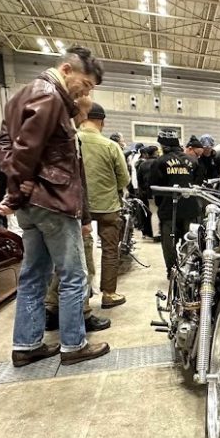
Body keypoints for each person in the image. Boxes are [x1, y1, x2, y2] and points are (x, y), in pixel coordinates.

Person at [0, 46, 109, 367]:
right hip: (53, 201)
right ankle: (73, 345)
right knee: (74, 276)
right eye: (85, 84)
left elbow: (3, 144)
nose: (85, 92)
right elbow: (26, 150)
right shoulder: (49, 96)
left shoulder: (26, 94)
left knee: (34, 275)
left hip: (35, 203)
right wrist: (17, 191)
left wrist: (18, 192)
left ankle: (26, 345)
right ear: (67, 70)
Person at [75, 103, 131, 309]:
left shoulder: (72, 140)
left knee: (81, 250)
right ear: (102, 122)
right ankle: (109, 294)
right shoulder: (110, 146)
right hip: (108, 206)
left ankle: (83, 298)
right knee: (109, 250)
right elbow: (124, 179)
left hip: (78, 206)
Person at [150, 129, 200, 275]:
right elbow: (198, 185)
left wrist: (160, 204)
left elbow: (154, 188)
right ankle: (189, 271)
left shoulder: (160, 162)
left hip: (168, 210)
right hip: (190, 209)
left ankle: (172, 271)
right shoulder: (193, 161)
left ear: (163, 145)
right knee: (190, 242)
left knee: (169, 243)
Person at [135, 145, 159, 241]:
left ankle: (148, 232)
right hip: (159, 191)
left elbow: (139, 179)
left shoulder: (142, 165)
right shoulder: (159, 162)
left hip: (146, 192)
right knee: (158, 212)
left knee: (148, 213)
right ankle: (158, 233)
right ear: (155, 152)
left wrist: (142, 190)